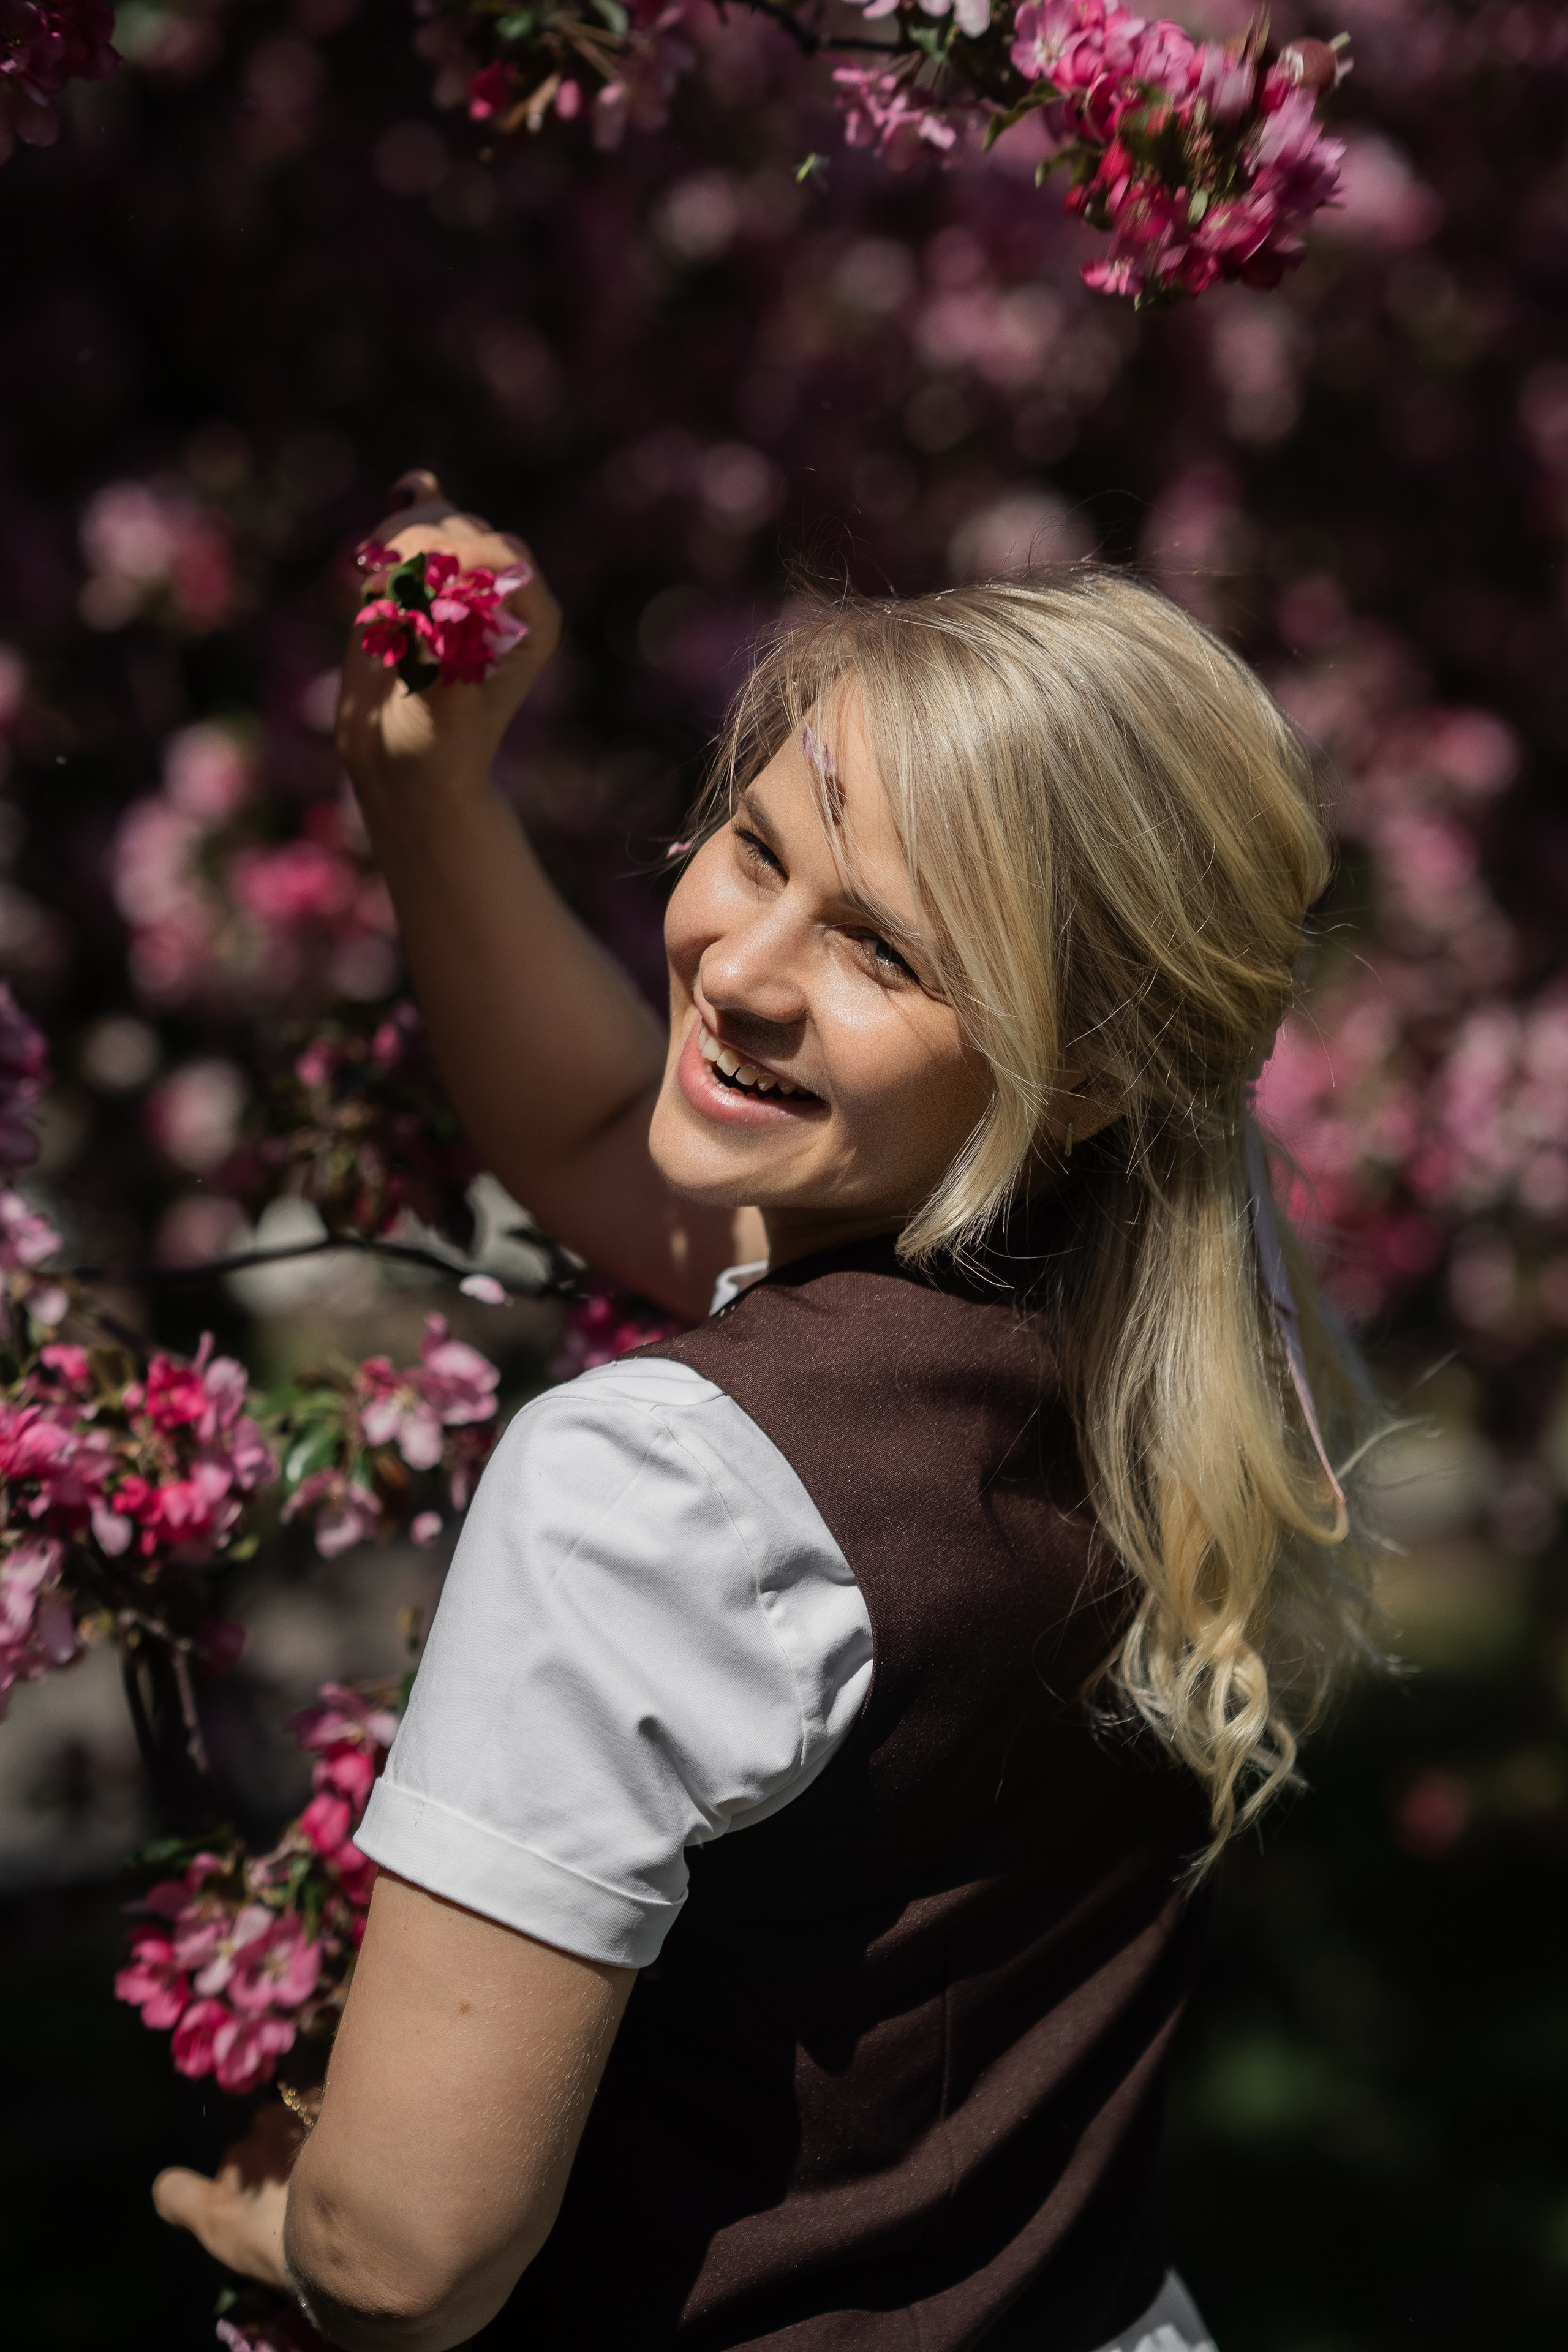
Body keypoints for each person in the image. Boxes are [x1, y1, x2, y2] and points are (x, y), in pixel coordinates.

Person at [155, 474, 1381, 2352]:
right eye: (750, 847)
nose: (738, 968)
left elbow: (412, 2254)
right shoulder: (1188, 1317)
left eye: (883, 951)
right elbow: (592, 1136)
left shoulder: (654, 1491)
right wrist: (426, 794)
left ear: (1074, 1076)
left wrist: (287, 2225)